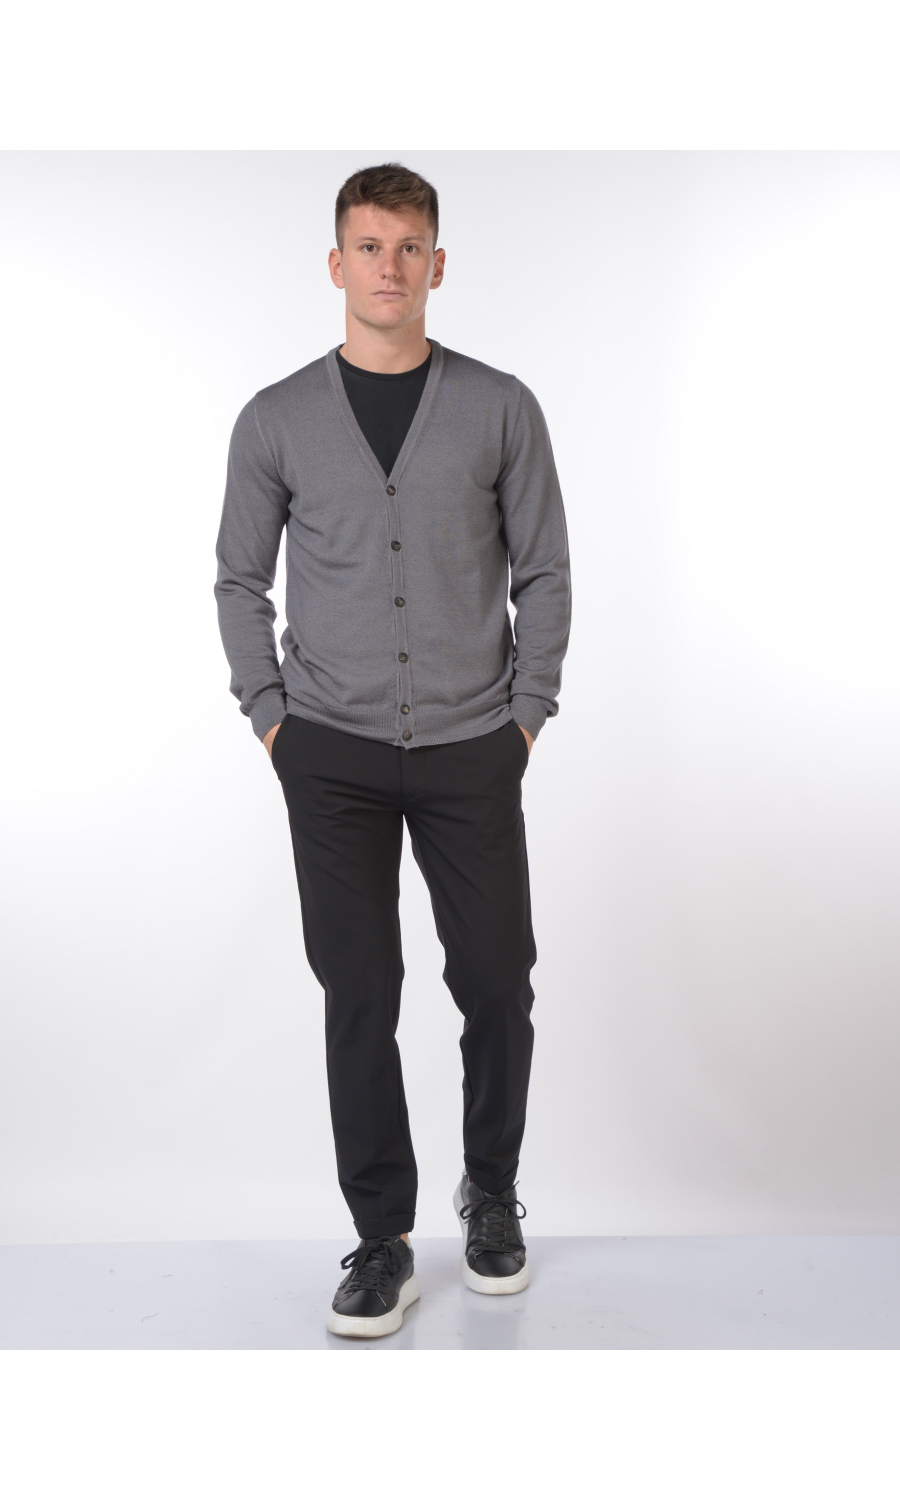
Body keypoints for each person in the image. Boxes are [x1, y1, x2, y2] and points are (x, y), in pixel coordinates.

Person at [214, 162, 572, 1338]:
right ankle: (383, 1237)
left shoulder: (500, 406)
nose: (390, 267)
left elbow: (545, 569)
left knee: (498, 981)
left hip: (474, 743)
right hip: (329, 751)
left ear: (438, 264)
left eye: (409, 247)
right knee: (360, 990)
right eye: (369, 247)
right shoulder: (275, 419)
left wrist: (525, 715)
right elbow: (238, 579)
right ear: (337, 263)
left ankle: (492, 1193)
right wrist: (274, 719)